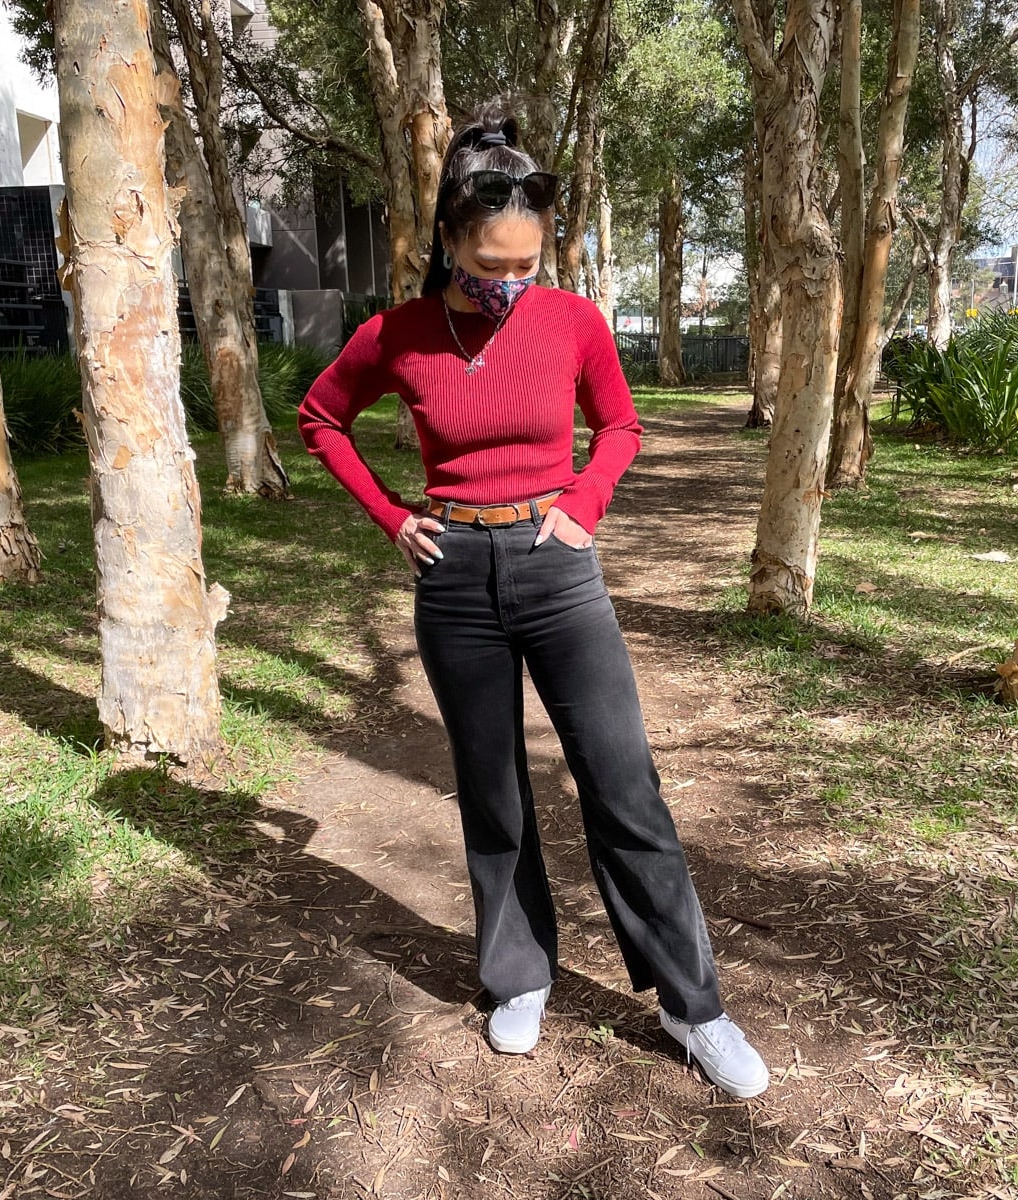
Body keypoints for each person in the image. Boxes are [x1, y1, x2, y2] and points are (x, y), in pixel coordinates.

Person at [295, 100, 769, 1100]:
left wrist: (586, 504)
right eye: (491, 264)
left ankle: (696, 1005)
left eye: (527, 263)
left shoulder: (574, 321)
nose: (510, 283)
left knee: (622, 784)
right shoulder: (399, 334)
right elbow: (320, 415)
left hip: (559, 573)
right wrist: (390, 516)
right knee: (493, 788)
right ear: (447, 241)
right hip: (454, 579)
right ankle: (517, 975)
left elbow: (623, 426)